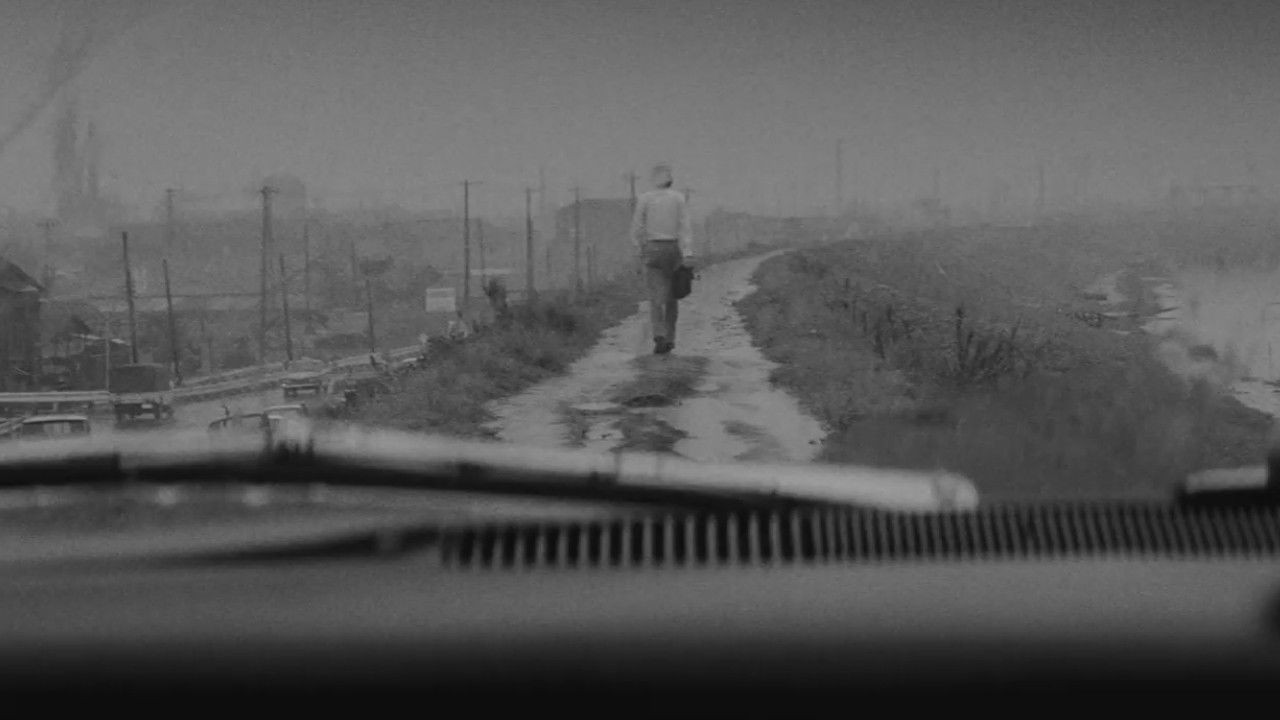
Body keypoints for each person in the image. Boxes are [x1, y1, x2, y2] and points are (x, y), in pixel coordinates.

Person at [630, 163, 694, 355]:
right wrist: (688, 252)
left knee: (655, 295)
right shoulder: (678, 198)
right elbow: (685, 227)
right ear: (670, 180)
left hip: (652, 248)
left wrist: (639, 248)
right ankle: (670, 338)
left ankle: (658, 333)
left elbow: (636, 227)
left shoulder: (645, 199)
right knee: (672, 295)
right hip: (673, 247)